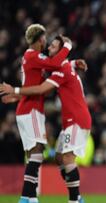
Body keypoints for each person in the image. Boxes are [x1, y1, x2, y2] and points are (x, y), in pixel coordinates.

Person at [1, 36, 90, 203]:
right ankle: (76, 196)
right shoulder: (64, 66)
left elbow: (42, 89)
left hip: (77, 120)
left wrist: (16, 90)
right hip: (70, 120)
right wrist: (74, 62)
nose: (49, 48)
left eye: (54, 47)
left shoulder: (61, 70)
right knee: (59, 157)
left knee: (68, 158)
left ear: (61, 51)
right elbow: (57, 72)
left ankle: (75, 199)